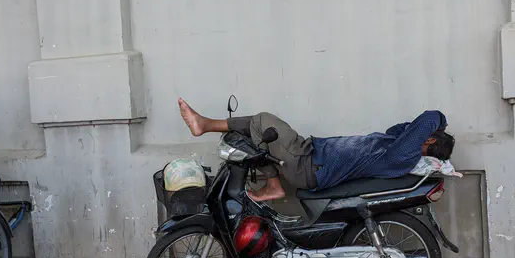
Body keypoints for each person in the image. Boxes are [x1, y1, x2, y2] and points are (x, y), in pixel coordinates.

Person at [178, 98, 455, 202]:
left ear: (428, 141)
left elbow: (431, 115)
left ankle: (205, 125)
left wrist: (440, 124)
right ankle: (274, 186)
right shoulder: (398, 149)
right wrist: (426, 134)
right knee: (260, 140)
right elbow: (401, 129)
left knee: (263, 121)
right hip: (311, 157)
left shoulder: (402, 157)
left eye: (426, 136)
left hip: (310, 164)